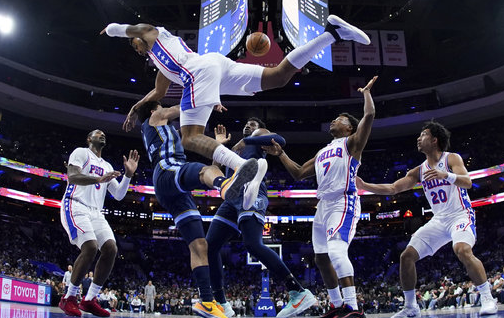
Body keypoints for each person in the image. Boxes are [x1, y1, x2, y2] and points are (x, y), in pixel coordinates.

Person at [100, 15, 371, 208]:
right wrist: (135, 108)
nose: (136, 49)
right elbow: (158, 94)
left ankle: (244, 168)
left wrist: (110, 30)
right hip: (214, 67)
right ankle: (333, 33)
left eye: (134, 45)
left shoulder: (152, 33)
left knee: (189, 138)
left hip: (198, 72)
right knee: (277, 76)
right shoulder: (160, 60)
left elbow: (125, 28)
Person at [263, 76, 378, 318]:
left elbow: (368, 117)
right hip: (323, 205)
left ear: (349, 128)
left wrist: (366, 94)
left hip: (342, 202)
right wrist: (281, 154)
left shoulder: (352, 143)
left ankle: (354, 308)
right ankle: (337, 307)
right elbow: (297, 173)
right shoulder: (323, 150)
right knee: (321, 258)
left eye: (340, 119)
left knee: (336, 250)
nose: (334, 120)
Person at [356, 121, 498, 318]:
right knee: (406, 257)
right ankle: (411, 307)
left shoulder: (451, 158)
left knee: (462, 250)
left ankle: (487, 298)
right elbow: (393, 188)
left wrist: (445, 175)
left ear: (434, 139)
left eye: (422, 135)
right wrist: (364, 185)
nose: (418, 138)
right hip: (438, 220)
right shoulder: (419, 171)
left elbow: (467, 182)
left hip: (460, 214)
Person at [136, 101, 238, 318]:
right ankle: (226, 186)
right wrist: (209, 99)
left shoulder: (162, 129)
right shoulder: (154, 119)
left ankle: (207, 303)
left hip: (173, 189)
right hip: (167, 169)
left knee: (200, 245)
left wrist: (217, 147)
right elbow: (184, 107)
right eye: (160, 106)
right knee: (206, 171)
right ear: (154, 110)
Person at [206, 119, 316, 318]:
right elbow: (215, 169)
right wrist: (219, 146)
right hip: (232, 197)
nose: (249, 125)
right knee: (209, 246)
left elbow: (280, 139)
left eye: (253, 123)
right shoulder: (235, 149)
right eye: (246, 124)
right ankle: (221, 303)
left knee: (253, 244)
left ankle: (298, 291)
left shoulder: (255, 138)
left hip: (253, 191)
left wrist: (248, 140)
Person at [58, 129, 139, 318]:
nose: (102, 134)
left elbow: (118, 195)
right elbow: (73, 177)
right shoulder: (81, 153)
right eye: (97, 133)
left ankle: (89, 299)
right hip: (76, 205)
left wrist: (128, 175)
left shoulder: (107, 165)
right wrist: (98, 179)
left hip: (96, 212)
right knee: (90, 247)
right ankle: (69, 298)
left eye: (104, 133)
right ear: (89, 139)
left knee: (111, 249)